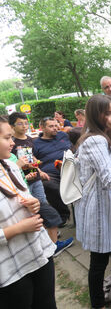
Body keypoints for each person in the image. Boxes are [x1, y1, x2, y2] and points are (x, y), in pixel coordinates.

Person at [74, 94, 111, 309]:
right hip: (101, 210)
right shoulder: (95, 140)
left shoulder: (98, 137)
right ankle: (98, 303)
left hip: (109, 207)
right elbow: (108, 178)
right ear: (96, 115)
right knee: (99, 261)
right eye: (108, 113)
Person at [0, 115, 57, 308]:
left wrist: (32, 203)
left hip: (40, 254)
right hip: (11, 270)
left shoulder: (11, 167)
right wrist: (19, 228)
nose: (12, 142)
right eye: (7, 138)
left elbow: (22, 199)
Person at [9, 112, 74, 256]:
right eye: (20, 123)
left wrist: (37, 168)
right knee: (40, 209)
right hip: (26, 182)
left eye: (26, 123)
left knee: (43, 205)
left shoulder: (29, 141)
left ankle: (50, 234)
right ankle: (51, 239)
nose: (25, 126)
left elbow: (32, 159)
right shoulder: (14, 144)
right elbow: (14, 165)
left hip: (36, 178)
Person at [33, 117, 72, 224]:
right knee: (47, 185)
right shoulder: (36, 143)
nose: (55, 128)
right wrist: (40, 172)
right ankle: (63, 214)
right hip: (51, 173)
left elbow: (73, 148)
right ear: (42, 128)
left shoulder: (63, 135)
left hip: (70, 168)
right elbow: (33, 161)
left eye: (56, 125)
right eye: (51, 126)